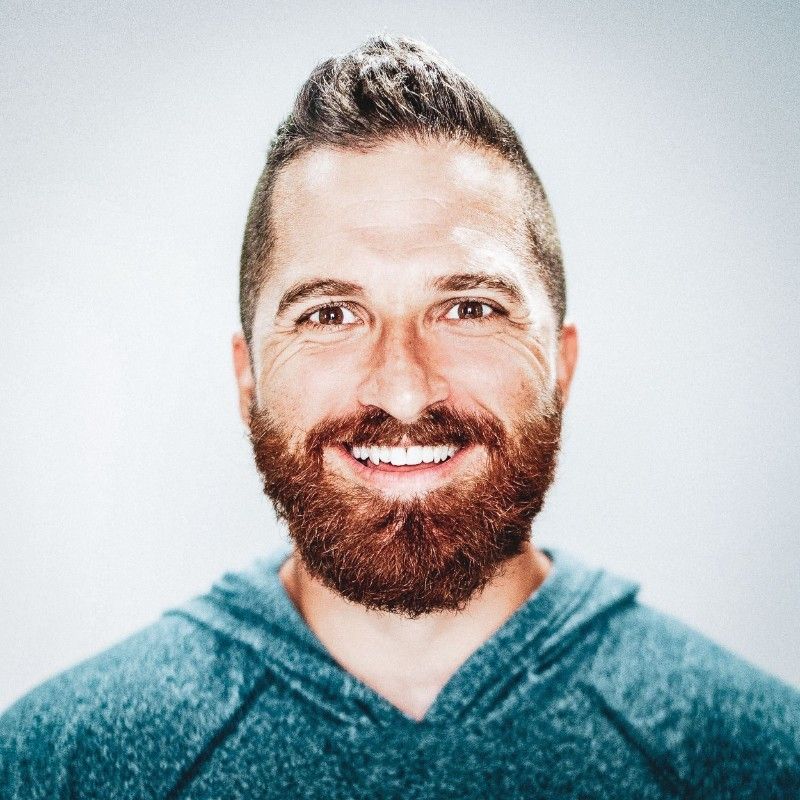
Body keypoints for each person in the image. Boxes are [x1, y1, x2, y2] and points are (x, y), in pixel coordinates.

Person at [1, 34, 798, 800]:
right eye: (329, 315)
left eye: (470, 307)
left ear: (561, 363)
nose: (405, 390)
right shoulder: (55, 764)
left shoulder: (761, 758)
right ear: (247, 379)